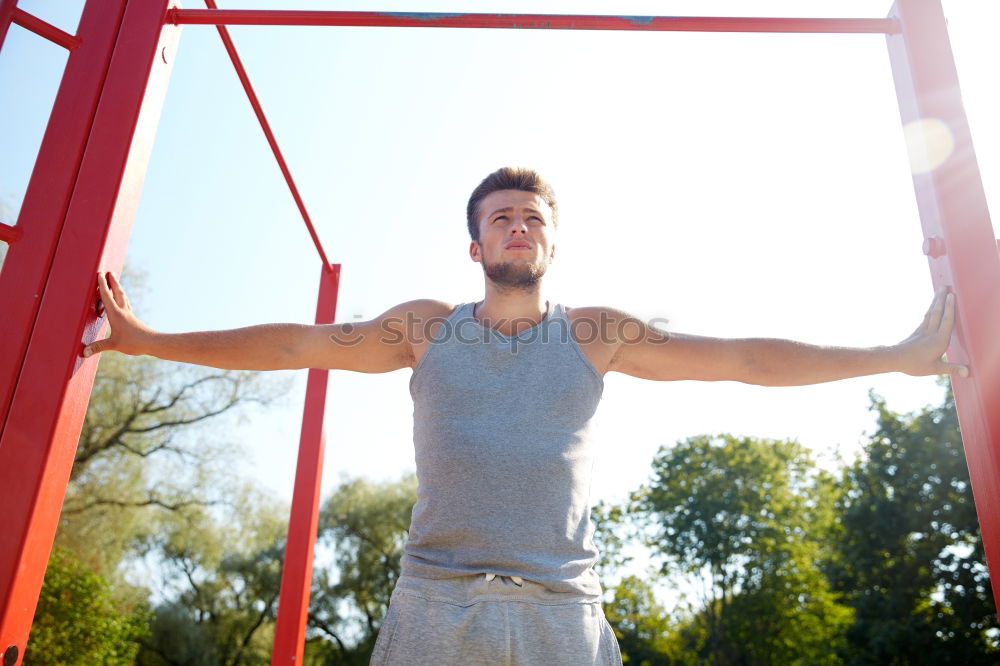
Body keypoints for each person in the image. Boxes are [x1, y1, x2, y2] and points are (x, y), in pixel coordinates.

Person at [84, 167, 965, 665]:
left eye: (531, 219)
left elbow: (741, 360)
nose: (517, 226)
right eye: (501, 218)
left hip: (562, 614)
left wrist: (896, 355)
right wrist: (145, 339)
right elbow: (292, 345)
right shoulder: (426, 330)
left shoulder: (595, 334)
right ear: (476, 246)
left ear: (550, 244)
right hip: (438, 607)